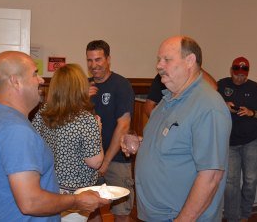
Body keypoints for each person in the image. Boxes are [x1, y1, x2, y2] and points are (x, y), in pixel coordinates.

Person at [0, 51, 109, 221]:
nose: (41, 80)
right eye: (34, 74)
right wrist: (77, 200)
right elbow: (30, 202)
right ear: (15, 81)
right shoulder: (16, 130)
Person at [122, 36, 232, 221]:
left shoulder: (208, 106)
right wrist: (141, 144)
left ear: (190, 61)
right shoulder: (167, 100)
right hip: (155, 215)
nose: (158, 65)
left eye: (166, 59)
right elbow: (174, 145)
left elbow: (211, 177)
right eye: (158, 60)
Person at [31, 63, 104, 222]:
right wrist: (98, 131)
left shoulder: (43, 113)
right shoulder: (86, 120)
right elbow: (95, 162)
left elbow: (33, 144)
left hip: (47, 187)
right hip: (75, 195)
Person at [86, 40, 135, 222]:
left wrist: (106, 161)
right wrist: (80, 98)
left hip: (116, 160)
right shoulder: (84, 86)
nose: (94, 65)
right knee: (91, 211)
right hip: (89, 160)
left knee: (121, 213)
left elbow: (123, 125)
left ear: (108, 59)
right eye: (90, 60)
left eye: (98, 59)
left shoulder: (121, 85)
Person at [218, 57, 257, 222]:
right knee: (231, 182)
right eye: (237, 74)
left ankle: (245, 215)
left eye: (243, 75)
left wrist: (252, 113)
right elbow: (208, 105)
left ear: (247, 73)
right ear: (232, 71)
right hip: (230, 140)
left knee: (250, 179)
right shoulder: (221, 85)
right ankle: (233, 217)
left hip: (253, 139)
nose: (239, 78)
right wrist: (223, 105)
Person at [144, 69, 217, 117]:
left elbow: (213, 87)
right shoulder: (163, 76)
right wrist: (160, 124)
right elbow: (148, 107)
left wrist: (195, 67)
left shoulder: (194, 76)